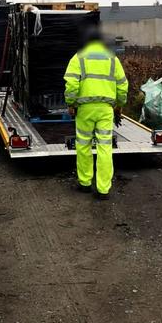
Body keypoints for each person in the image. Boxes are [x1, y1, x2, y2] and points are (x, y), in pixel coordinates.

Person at [63, 25, 128, 199]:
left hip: (84, 110)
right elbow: (122, 85)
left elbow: (70, 85)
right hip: (106, 109)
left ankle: (85, 183)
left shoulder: (78, 58)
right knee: (104, 148)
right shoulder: (112, 59)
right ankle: (103, 189)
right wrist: (119, 105)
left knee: (83, 146)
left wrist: (71, 104)